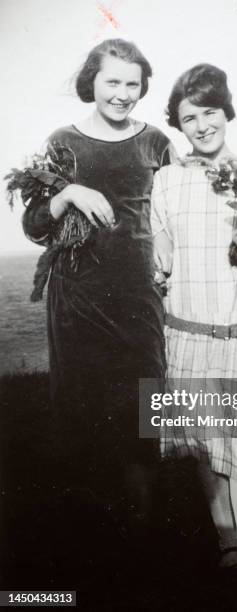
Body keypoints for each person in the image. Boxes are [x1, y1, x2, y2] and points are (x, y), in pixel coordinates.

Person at [151, 64, 237, 586]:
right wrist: (156, 259)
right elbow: (160, 251)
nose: (202, 125)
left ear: (226, 111)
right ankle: (228, 547)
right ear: (179, 124)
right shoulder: (166, 181)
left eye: (210, 112)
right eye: (189, 117)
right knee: (200, 441)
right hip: (186, 336)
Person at [22, 39, 173, 510]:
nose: (123, 94)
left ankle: (143, 543)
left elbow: (174, 215)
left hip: (138, 299)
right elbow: (33, 226)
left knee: (143, 412)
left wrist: (167, 249)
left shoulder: (157, 143)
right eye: (113, 81)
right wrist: (67, 195)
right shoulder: (63, 142)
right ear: (92, 82)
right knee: (81, 417)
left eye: (133, 83)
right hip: (77, 301)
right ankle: (90, 541)